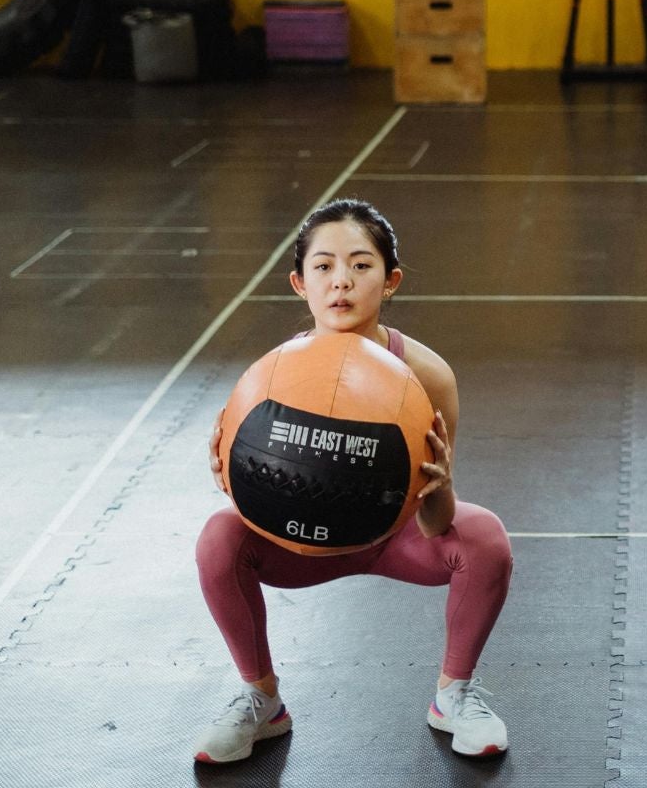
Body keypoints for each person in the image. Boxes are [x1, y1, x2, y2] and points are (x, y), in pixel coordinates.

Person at [191, 199, 515, 763]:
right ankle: (261, 701)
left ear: (390, 281)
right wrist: (234, 483)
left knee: (484, 535)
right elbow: (251, 507)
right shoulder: (272, 375)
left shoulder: (429, 375)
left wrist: (438, 486)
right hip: (301, 543)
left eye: (361, 266)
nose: (341, 282)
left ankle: (454, 696)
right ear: (299, 283)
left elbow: (436, 522)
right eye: (324, 267)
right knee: (218, 535)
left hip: (395, 536)